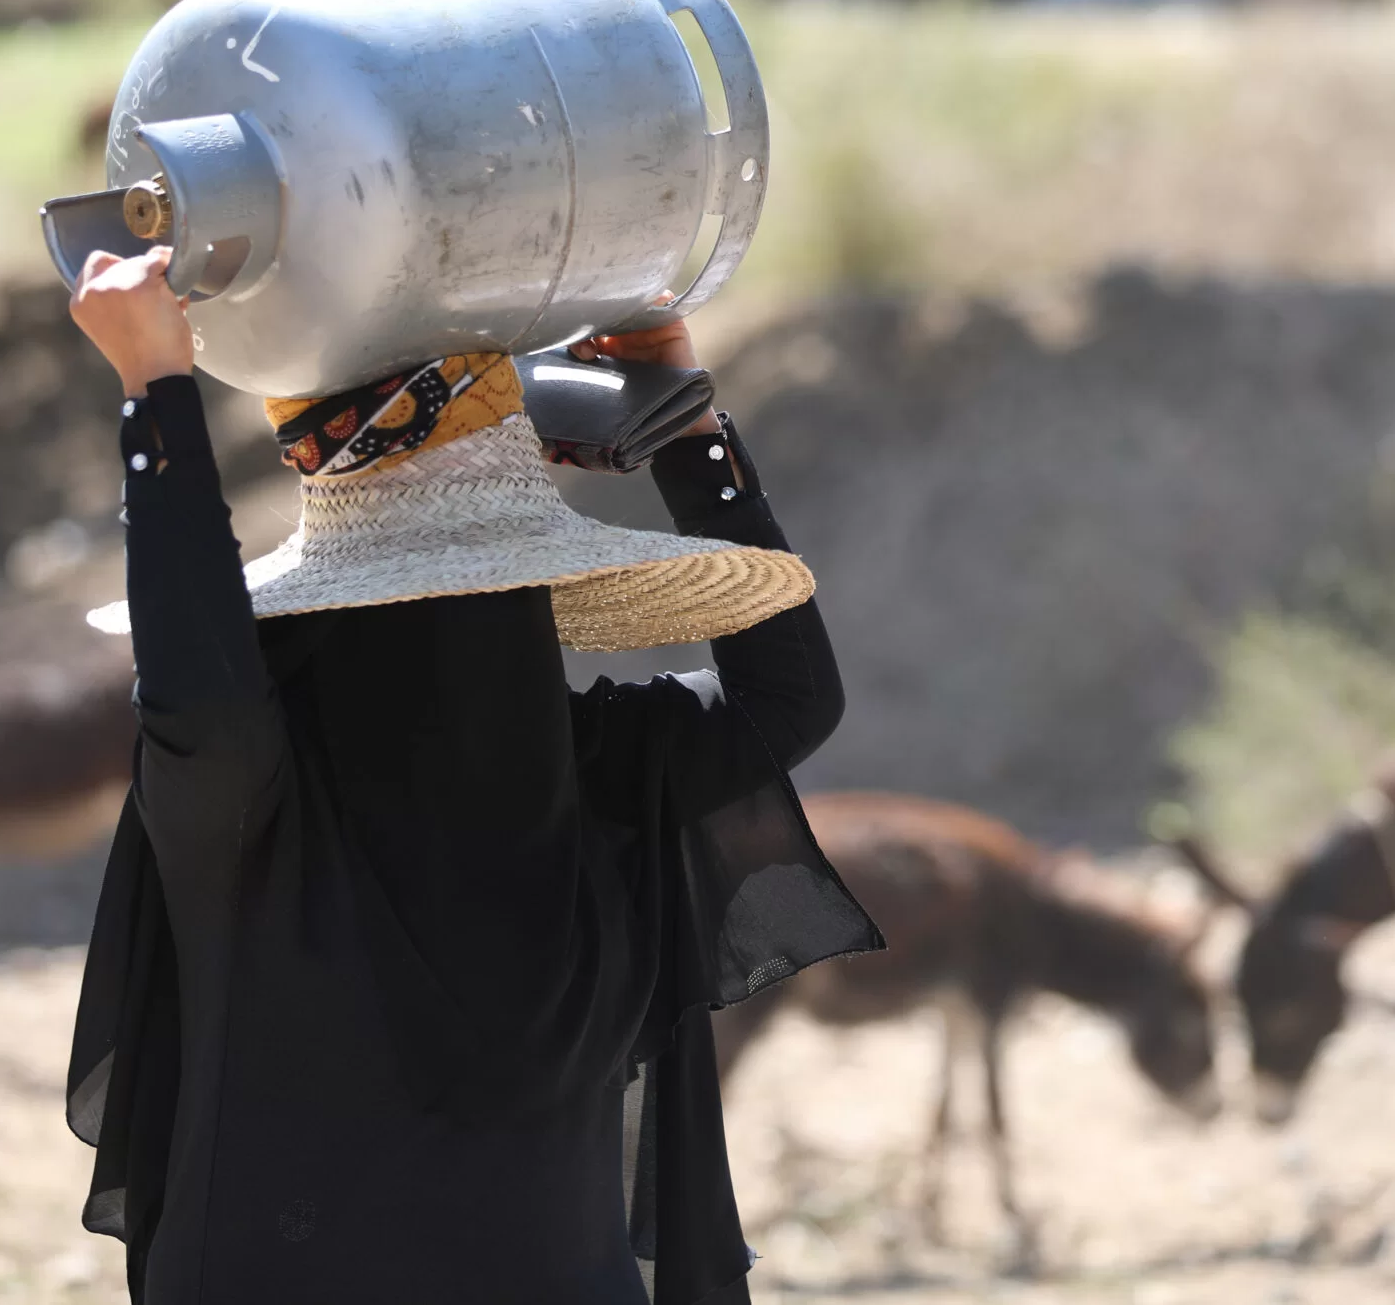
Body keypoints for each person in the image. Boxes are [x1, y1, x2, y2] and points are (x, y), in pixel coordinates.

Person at [62, 244, 880, 1304]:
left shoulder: (258, 801)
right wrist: (683, 430)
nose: (479, 635)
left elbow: (199, 688)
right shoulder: (295, 793)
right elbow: (788, 697)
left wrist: (157, 398)